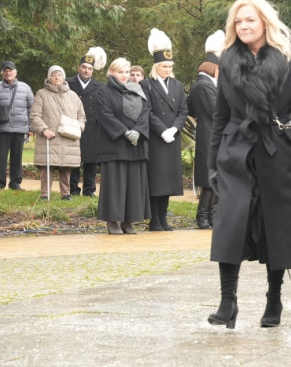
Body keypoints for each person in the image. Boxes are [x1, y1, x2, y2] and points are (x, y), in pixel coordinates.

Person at [207, 0, 291, 329]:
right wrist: (213, 163)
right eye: (238, 21)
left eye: (250, 20)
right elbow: (220, 115)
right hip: (236, 150)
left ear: (264, 22)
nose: (243, 26)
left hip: (277, 149)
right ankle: (228, 301)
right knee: (230, 226)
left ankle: (274, 299)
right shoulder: (228, 59)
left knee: (277, 227)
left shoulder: (289, 55)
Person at [95, 58, 151, 235]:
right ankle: (112, 221)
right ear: (112, 72)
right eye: (121, 72)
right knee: (115, 185)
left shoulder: (138, 90)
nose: (125, 76)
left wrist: (138, 131)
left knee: (134, 185)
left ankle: (128, 221)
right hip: (115, 144)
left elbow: (145, 112)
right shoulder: (103, 92)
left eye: (127, 72)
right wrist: (124, 132)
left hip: (136, 145)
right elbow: (105, 115)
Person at [142, 29, 188, 231]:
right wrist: (162, 130)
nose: (168, 70)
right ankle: (154, 219)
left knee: (169, 180)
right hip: (156, 138)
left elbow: (183, 111)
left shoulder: (177, 85)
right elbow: (148, 111)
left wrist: (174, 129)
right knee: (156, 180)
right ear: (156, 67)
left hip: (172, 137)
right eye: (164, 66)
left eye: (170, 66)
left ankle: (163, 217)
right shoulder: (147, 85)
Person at [30, 65, 86, 201]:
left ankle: (66, 194)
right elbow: (34, 115)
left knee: (66, 167)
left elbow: (81, 116)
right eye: (54, 75)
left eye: (60, 75)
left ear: (64, 77)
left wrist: (77, 127)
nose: (57, 77)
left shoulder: (73, 95)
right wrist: (44, 130)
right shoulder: (41, 94)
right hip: (49, 137)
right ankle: (45, 194)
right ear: (49, 77)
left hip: (68, 137)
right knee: (46, 168)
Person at [188, 31, 223, 229]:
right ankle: (203, 216)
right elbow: (216, 111)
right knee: (208, 180)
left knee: (214, 179)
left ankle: (212, 215)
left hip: (212, 135)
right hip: (208, 136)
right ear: (213, 68)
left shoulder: (208, 85)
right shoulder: (203, 86)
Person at [0, 60, 34, 190]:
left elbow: (32, 108)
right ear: (2, 73)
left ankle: (15, 183)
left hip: (20, 128)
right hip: (2, 129)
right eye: (5, 71)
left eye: (10, 70)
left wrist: (31, 127)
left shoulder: (25, 88)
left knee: (17, 157)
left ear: (15, 72)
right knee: (0, 157)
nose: (8, 72)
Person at [67, 48, 106, 197]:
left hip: (92, 127)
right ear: (79, 68)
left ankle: (89, 190)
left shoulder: (100, 87)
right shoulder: (68, 83)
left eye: (89, 68)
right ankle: (73, 189)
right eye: (84, 67)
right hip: (73, 125)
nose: (86, 70)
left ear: (92, 71)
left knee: (91, 160)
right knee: (74, 158)